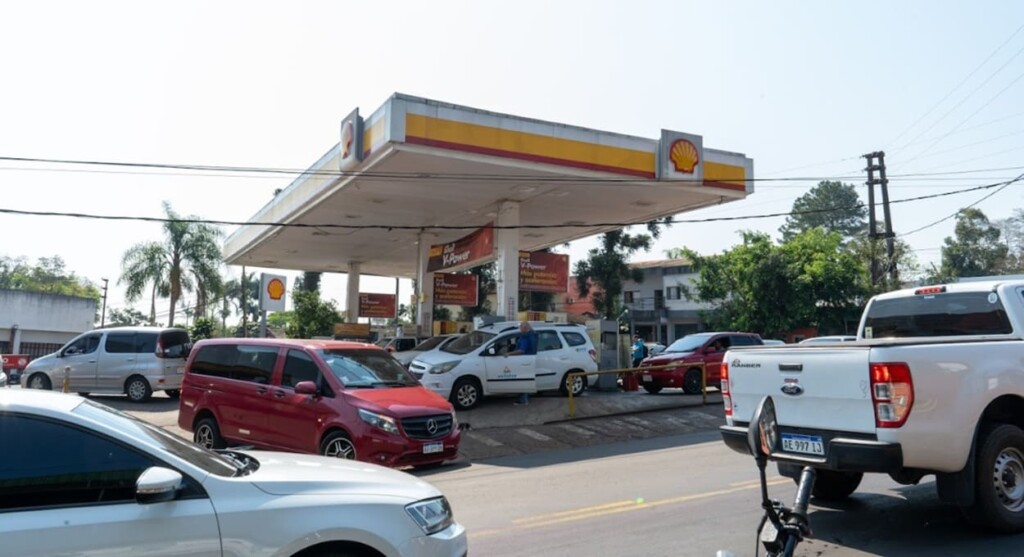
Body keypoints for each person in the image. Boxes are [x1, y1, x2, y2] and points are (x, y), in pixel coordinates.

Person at [507, 321, 538, 405]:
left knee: (522, 379)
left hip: (524, 360)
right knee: (525, 378)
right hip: (528, 360)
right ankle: (524, 397)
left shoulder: (526, 337)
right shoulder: (532, 335)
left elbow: (522, 350)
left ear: (525, 328)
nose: (519, 329)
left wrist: (509, 354)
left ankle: (523, 400)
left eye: (521, 327)